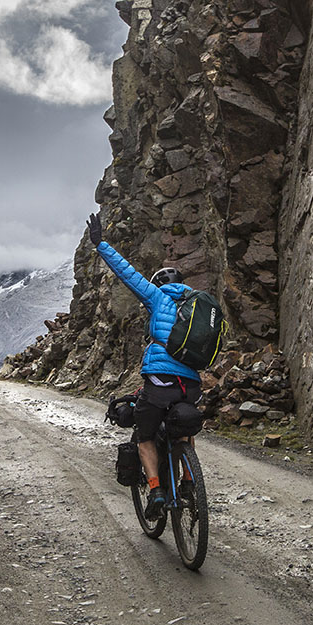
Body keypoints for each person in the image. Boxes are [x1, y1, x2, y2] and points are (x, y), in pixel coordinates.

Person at [86, 213, 201, 518]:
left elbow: (128, 274)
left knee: (145, 436)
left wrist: (100, 244)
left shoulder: (158, 298)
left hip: (161, 381)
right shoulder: (197, 305)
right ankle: (189, 482)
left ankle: (156, 490)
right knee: (184, 427)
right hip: (191, 384)